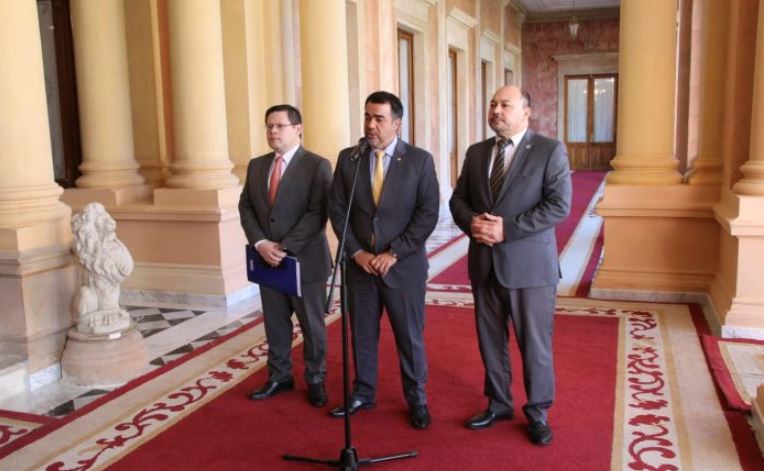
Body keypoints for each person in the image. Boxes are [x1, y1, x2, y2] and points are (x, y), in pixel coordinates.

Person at [449, 86, 572, 446]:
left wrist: (507, 229)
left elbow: (558, 205)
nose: (496, 110)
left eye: (505, 105)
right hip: (484, 263)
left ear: (526, 112)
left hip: (529, 266)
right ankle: (499, 402)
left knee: (534, 343)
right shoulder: (476, 153)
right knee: (491, 340)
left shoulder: (549, 150)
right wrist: (471, 222)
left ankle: (537, 410)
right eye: (493, 104)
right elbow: (458, 199)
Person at [327, 91, 439, 429]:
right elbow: (337, 209)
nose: (371, 125)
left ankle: (416, 398)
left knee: (409, 335)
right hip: (361, 267)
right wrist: (357, 252)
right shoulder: (350, 158)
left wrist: (394, 253)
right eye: (367, 117)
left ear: (397, 124)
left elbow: (427, 214)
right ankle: (363, 391)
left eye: (379, 119)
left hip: (402, 267)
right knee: (361, 333)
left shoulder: (419, 160)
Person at [239, 104, 333, 407]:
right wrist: (261, 243)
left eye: (280, 125)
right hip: (267, 261)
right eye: (269, 126)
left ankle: (316, 378)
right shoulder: (257, 165)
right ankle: (279, 376)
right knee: (275, 324)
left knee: (312, 326)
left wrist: (283, 247)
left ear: (298, 128)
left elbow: (317, 213)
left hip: (304, 261)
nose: (273, 131)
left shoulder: (317, 165)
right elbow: (246, 208)